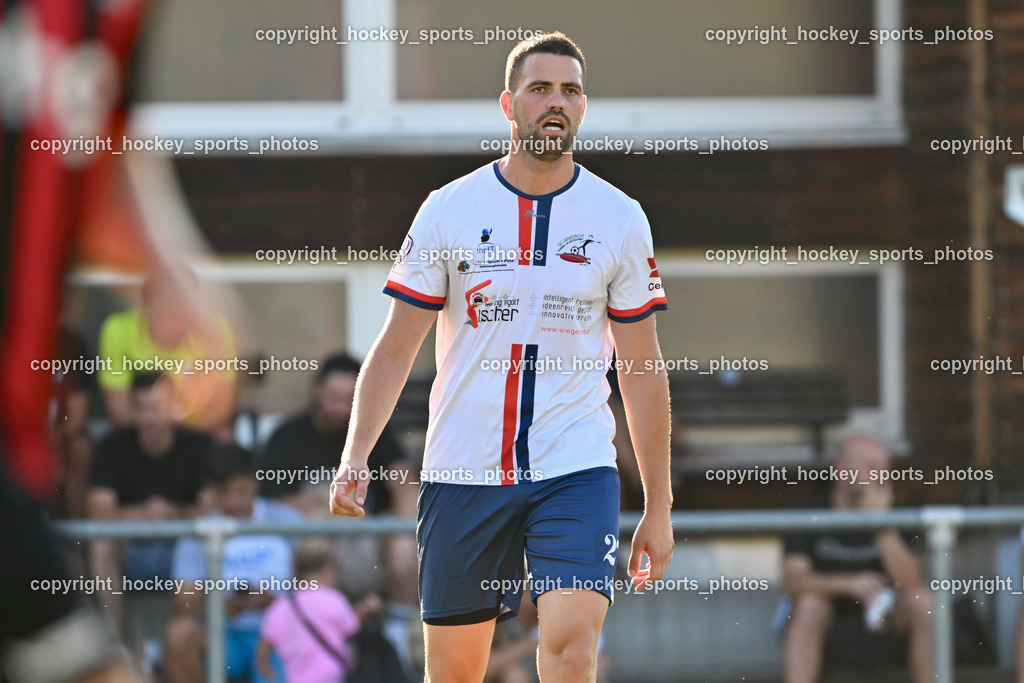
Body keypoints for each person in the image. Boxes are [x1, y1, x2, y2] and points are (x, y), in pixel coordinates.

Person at [329, 31, 674, 682]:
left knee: (571, 647)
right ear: (508, 106)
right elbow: (397, 343)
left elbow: (642, 369)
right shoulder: (448, 209)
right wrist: (356, 453)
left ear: (583, 108)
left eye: (570, 91)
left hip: (576, 467)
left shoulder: (620, 218)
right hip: (463, 470)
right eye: (539, 88)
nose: (556, 102)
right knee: (455, 673)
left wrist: (659, 504)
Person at [781, 435, 933, 683]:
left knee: (923, 601)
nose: (883, 478)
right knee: (809, 603)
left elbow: (912, 581)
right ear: (841, 473)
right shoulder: (808, 512)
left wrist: (881, 525)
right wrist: (849, 584)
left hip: (887, 623)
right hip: (828, 625)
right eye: (872, 468)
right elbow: (794, 581)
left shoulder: (897, 512)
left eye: (886, 470)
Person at [164, 443, 303, 683]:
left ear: (255, 483)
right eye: (223, 493)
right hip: (223, 635)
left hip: (279, 634)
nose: (234, 502)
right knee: (179, 634)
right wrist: (217, 605)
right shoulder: (197, 533)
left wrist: (277, 603)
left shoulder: (288, 522)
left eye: (240, 491)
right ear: (210, 492)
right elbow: (183, 603)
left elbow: (319, 587)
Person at [87, 372, 214, 632]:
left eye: (156, 408)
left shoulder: (200, 445)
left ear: (174, 407)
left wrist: (174, 513)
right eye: (140, 408)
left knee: (214, 543)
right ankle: (114, 648)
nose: (148, 417)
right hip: (132, 551)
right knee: (100, 545)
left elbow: (213, 508)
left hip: (185, 553)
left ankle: (197, 641)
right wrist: (141, 513)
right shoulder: (111, 446)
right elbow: (97, 510)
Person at [97, 264, 238, 438]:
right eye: (167, 315)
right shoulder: (118, 330)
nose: (177, 325)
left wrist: (181, 431)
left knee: (224, 438)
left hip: (196, 433)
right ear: (145, 309)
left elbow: (222, 408)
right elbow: (119, 412)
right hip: (142, 431)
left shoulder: (214, 329)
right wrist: (158, 430)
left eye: (185, 313)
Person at [256, 537, 381, 683]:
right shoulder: (333, 600)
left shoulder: (281, 605)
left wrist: (264, 666)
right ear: (327, 569)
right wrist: (364, 608)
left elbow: (265, 645)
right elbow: (351, 626)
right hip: (331, 677)